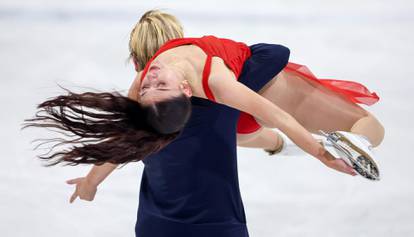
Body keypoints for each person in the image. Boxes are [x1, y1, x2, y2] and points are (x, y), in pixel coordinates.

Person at [25, 10, 385, 237]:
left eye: (153, 80)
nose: (150, 79)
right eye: (152, 81)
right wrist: (317, 150)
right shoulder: (179, 86)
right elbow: (125, 140)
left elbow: (124, 143)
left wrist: (90, 183)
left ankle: (287, 145)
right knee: (369, 127)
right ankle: (313, 144)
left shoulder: (174, 88)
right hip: (220, 203)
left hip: (244, 85)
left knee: (231, 128)